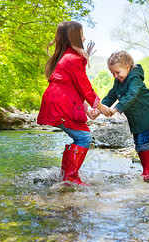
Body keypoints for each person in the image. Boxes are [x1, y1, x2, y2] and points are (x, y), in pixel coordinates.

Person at [37, 21, 111, 186]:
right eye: (81, 33)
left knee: (80, 136)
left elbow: (74, 88)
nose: (84, 36)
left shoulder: (68, 57)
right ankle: (69, 178)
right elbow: (85, 88)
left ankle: (66, 176)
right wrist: (102, 107)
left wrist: (87, 109)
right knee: (84, 137)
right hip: (61, 104)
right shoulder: (73, 58)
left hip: (60, 101)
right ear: (74, 37)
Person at [102, 50, 149, 181]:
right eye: (112, 73)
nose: (115, 76)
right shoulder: (119, 81)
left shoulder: (135, 78)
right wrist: (100, 107)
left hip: (147, 114)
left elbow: (132, 95)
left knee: (142, 140)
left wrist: (117, 108)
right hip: (136, 117)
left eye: (117, 72)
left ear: (128, 67)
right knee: (138, 142)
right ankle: (148, 169)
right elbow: (112, 94)